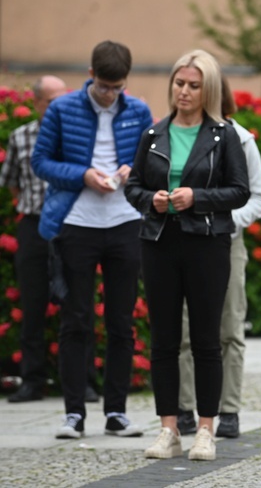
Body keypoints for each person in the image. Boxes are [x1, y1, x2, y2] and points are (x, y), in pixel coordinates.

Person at [125, 49, 250, 461]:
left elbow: (240, 191)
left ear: (207, 90)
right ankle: (168, 429)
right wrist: (152, 200)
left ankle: (206, 430)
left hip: (208, 243)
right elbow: (135, 187)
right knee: (163, 339)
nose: (184, 91)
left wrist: (197, 197)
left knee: (206, 340)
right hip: (160, 242)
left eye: (194, 86)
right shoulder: (153, 134)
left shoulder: (224, 135)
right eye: (179, 83)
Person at [31, 41, 153, 439]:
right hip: (76, 223)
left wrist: (129, 168)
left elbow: (152, 161)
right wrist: (84, 175)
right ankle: (74, 415)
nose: (109, 94)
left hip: (123, 222)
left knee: (121, 322)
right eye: (103, 86)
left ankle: (116, 412)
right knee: (76, 320)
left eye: (116, 87)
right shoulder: (64, 108)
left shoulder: (137, 110)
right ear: (90, 74)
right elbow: (41, 161)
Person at [176, 74, 261, 438]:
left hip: (226, 242)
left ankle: (228, 410)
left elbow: (259, 197)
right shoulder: (173, 134)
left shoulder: (241, 137)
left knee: (229, 327)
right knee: (183, 328)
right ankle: (185, 407)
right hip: (183, 240)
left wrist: (226, 221)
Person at [1, 76, 67, 403]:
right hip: (33, 225)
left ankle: (79, 382)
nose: (58, 106)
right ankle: (33, 381)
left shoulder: (77, 136)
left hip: (70, 226)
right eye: (51, 101)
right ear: (38, 102)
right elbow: (12, 182)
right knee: (32, 304)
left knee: (75, 304)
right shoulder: (20, 137)